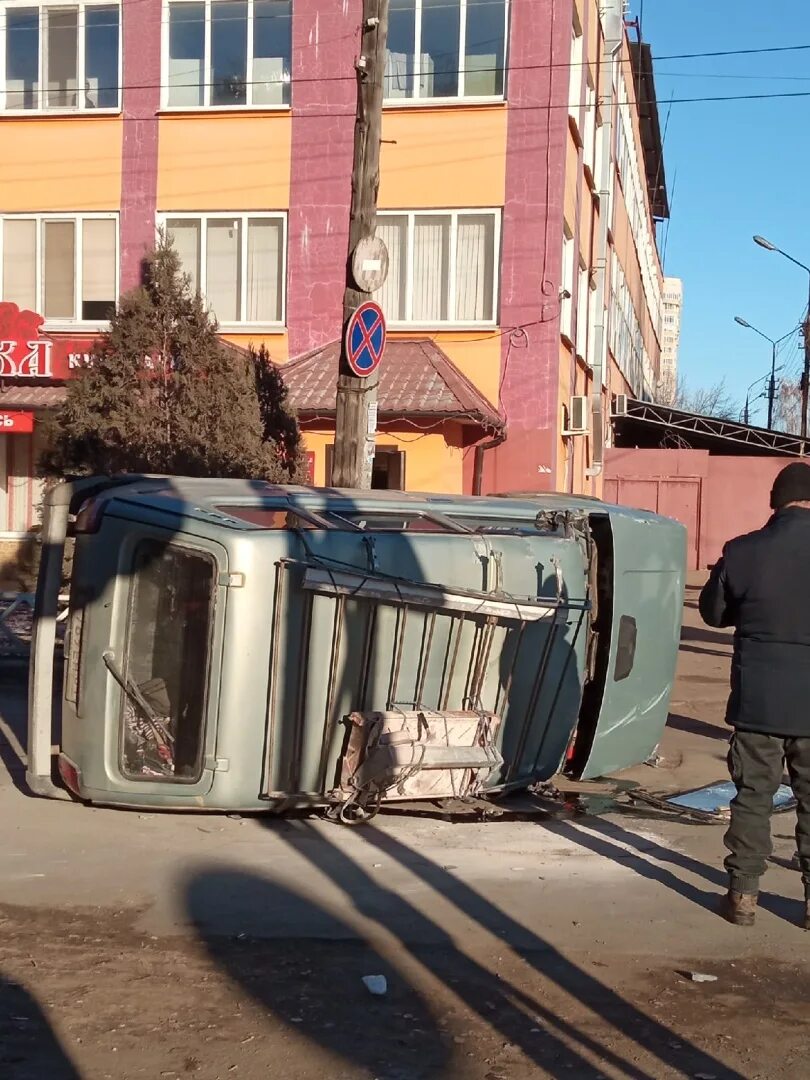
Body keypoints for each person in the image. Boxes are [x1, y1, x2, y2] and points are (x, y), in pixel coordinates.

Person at [699, 461, 810, 929]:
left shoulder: (743, 551)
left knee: (753, 797)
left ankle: (743, 896)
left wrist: (721, 576)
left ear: (776, 500)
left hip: (758, 703)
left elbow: (712, 614)